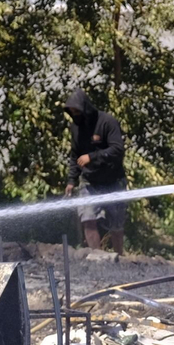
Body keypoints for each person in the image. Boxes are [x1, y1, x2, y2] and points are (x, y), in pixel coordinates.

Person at [64, 88, 127, 255]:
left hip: (113, 180)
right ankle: (98, 259)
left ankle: (119, 259)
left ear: (86, 108)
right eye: (72, 112)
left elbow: (117, 149)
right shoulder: (76, 128)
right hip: (89, 182)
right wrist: (71, 180)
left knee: (116, 224)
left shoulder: (107, 122)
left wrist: (92, 157)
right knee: (88, 218)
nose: (75, 115)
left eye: (77, 111)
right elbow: (75, 155)